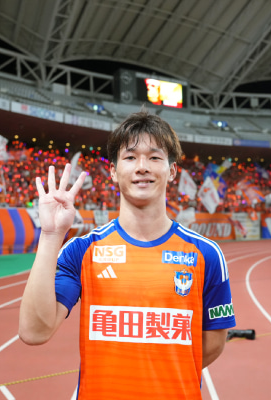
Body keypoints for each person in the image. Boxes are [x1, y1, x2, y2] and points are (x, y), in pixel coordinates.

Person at [19, 109, 236, 399]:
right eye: (130, 157)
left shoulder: (206, 255)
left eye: (154, 157)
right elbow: (34, 332)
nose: (142, 167)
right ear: (113, 171)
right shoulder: (82, 251)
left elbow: (212, 343)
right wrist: (50, 235)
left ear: (172, 171)